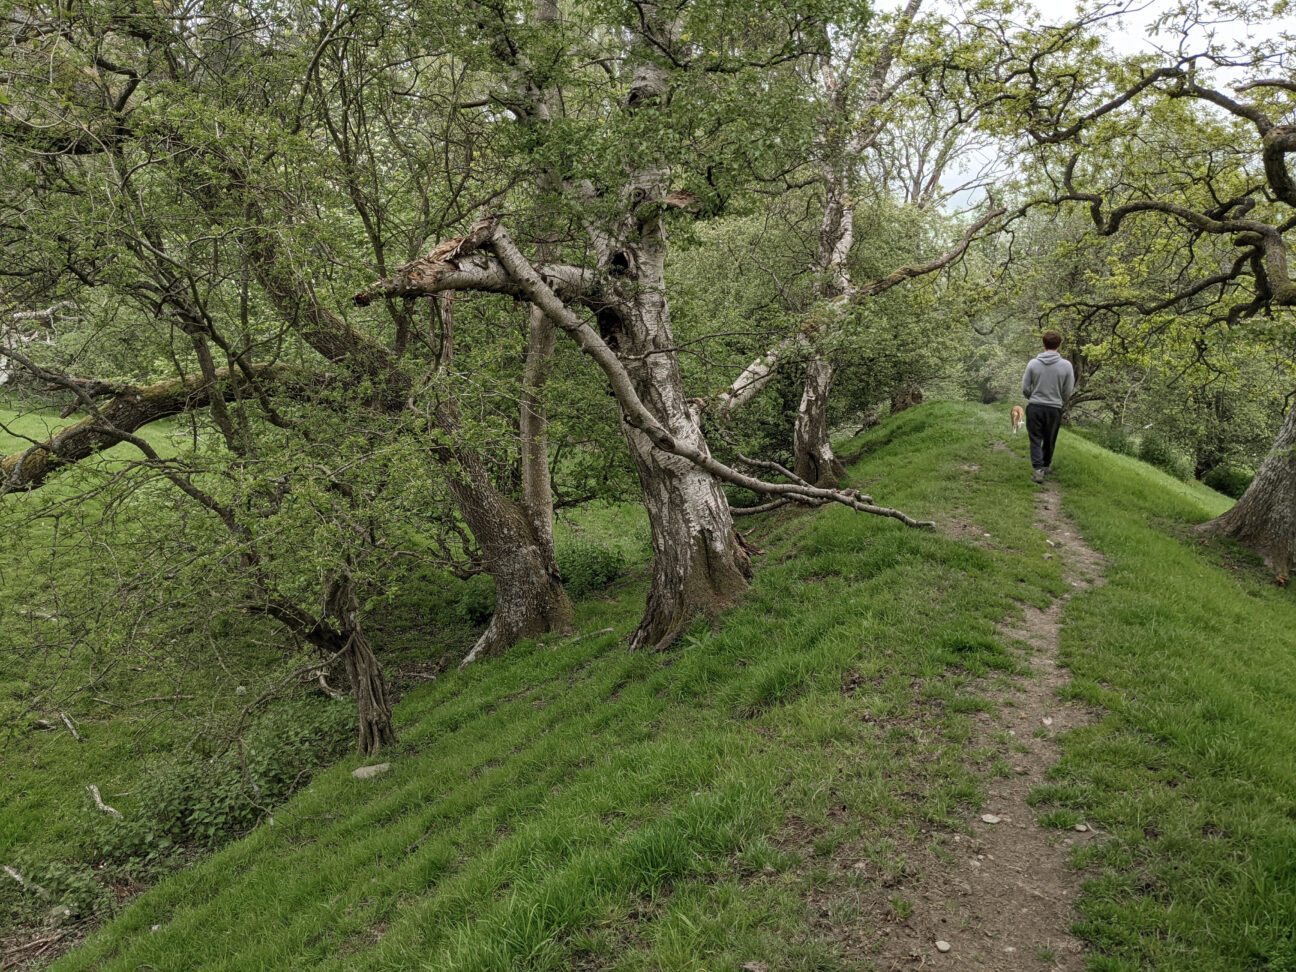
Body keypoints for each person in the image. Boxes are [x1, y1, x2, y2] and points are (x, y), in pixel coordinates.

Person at [1021, 332, 1075, 483]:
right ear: (1059, 345)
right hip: (1054, 408)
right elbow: (1068, 390)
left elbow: (1025, 387)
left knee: (1035, 439)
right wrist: (1059, 399)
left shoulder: (1033, 363)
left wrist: (1032, 397)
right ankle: (1045, 466)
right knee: (1050, 438)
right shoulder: (1066, 366)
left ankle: (1038, 470)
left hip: (1035, 406)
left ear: (1043, 344)